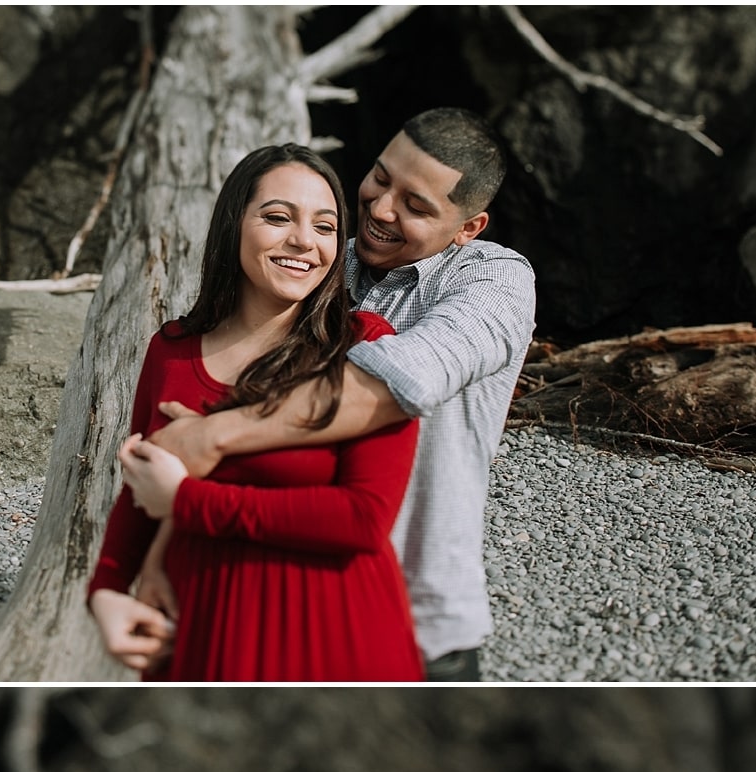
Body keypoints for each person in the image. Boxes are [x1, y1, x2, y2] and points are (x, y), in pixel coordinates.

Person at [145, 109, 537, 680]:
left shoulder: (495, 281)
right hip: (262, 596)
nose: (380, 209)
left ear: (468, 227)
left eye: (416, 206)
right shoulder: (316, 263)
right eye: (381, 178)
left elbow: (405, 377)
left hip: (416, 624)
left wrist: (214, 432)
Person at [86, 143, 423, 681]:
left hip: (332, 632)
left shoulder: (366, 347)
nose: (304, 242)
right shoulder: (172, 349)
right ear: (233, 225)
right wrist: (105, 591)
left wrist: (191, 501)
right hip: (202, 629)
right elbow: (141, 486)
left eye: (325, 226)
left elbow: (364, 518)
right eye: (277, 217)